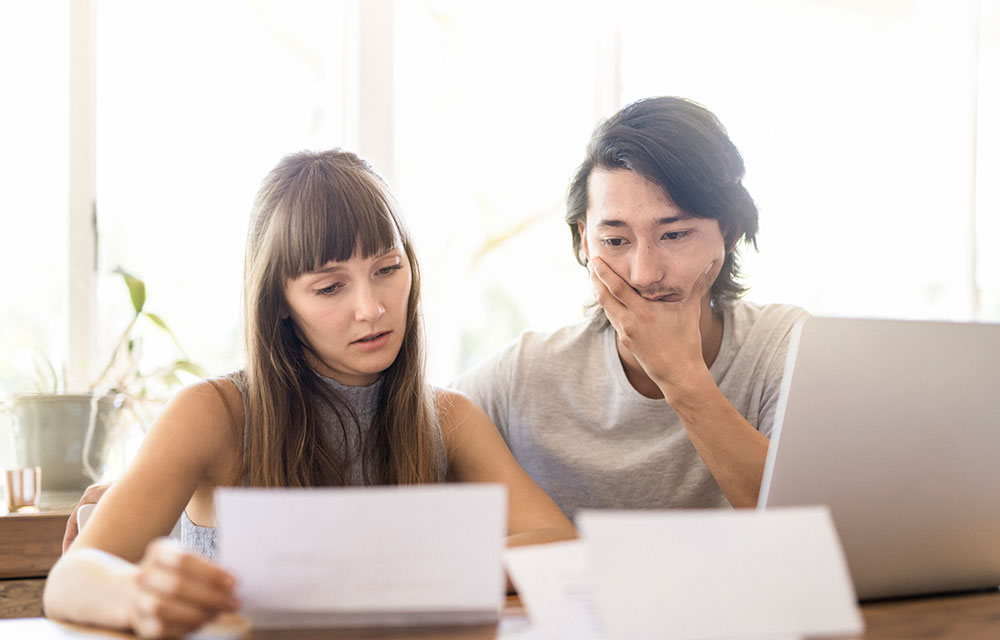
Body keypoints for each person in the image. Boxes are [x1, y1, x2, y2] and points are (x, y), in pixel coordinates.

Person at [44, 149, 575, 639]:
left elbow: (561, 548)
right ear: (278, 300)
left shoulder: (447, 417)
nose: (372, 307)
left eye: (387, 270)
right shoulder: (213, 413)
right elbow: (70, 582)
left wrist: (404, 569)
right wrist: (139, 595)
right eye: (330, 287)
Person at [451, 96, 808, 517]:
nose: (643, 274)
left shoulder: (785, 347)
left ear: (727, 232)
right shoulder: (523, 374)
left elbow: (808, 529)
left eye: (674, 235)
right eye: (616, 242)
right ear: (585, 241)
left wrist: (682, 378)